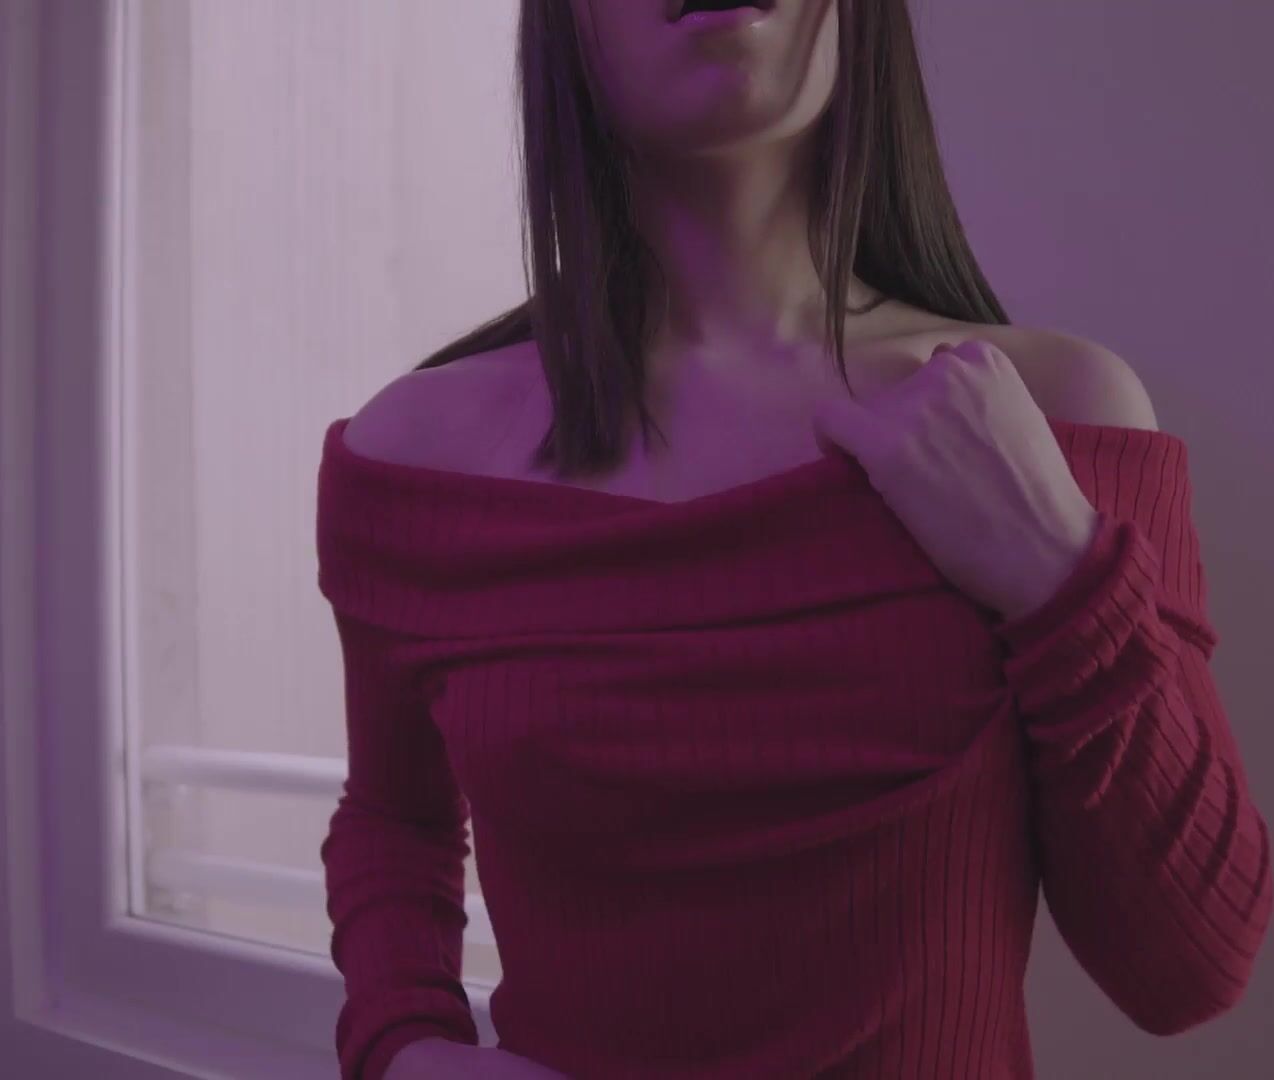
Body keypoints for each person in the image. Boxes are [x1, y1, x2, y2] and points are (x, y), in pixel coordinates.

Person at [315, 2, 1271, 1078]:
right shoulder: (417, 462)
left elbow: (1191, 970)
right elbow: (394, 817)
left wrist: (1056, 567)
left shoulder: (1056, 417)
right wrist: (405, 1047)